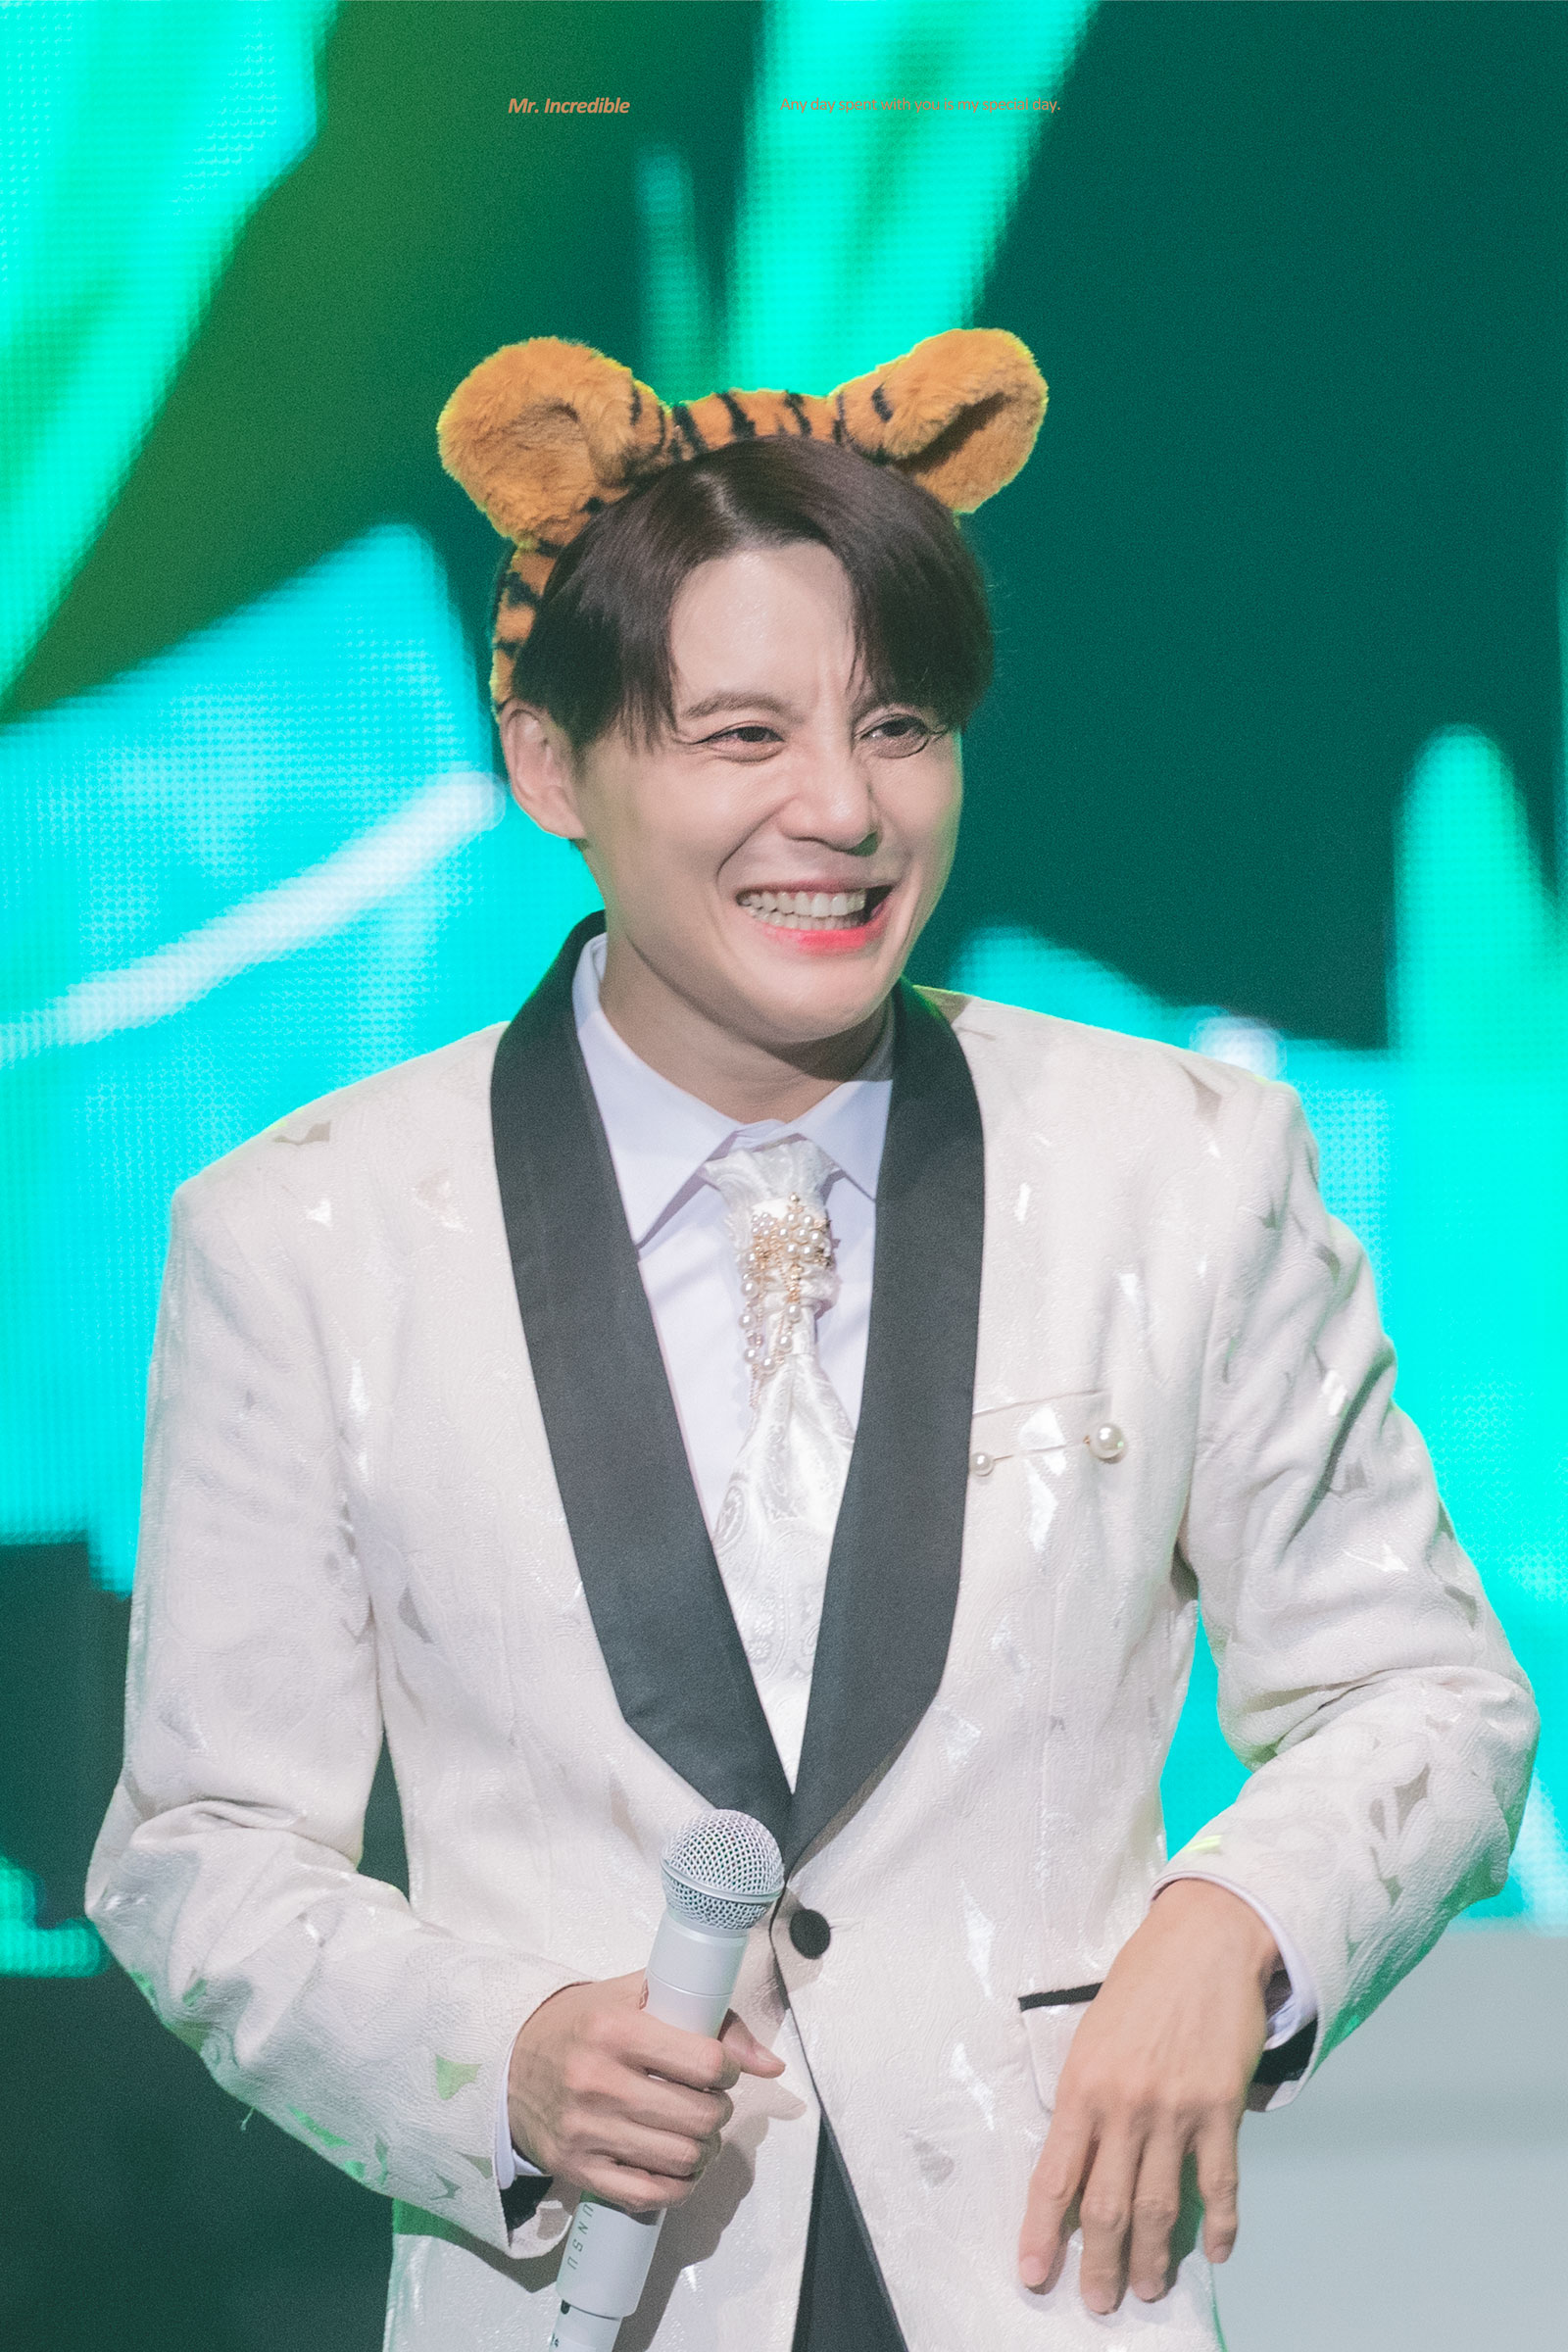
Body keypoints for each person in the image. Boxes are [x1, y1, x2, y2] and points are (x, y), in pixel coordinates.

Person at [88, 328, 1537, 2352]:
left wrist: (1237, 1924)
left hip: (1050, 2281)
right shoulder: (307, 1233)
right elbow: (199, 1852)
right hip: (589, 2295)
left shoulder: (1179, 1166)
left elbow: (1424, 1692)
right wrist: (500, 2056)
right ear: (548, 763)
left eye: (899, 725)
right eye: (741, 736)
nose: (841, 810)